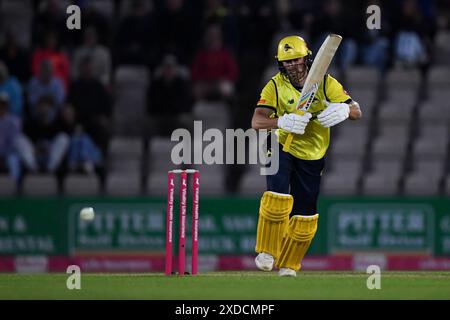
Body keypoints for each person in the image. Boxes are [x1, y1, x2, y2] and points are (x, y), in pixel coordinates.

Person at [251, 35, 362, 277]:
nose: (292, 65)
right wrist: (282, 121)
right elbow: (257, 121)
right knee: (277, 196)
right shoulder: (275, 85)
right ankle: (268, 251)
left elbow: (356, 110)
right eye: (286, 61)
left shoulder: (325, 83)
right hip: (281, 145)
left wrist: (344, 108)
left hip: (313, 153)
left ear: (306, 58)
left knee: (305, 214)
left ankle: (289, 264)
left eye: (296, 59)